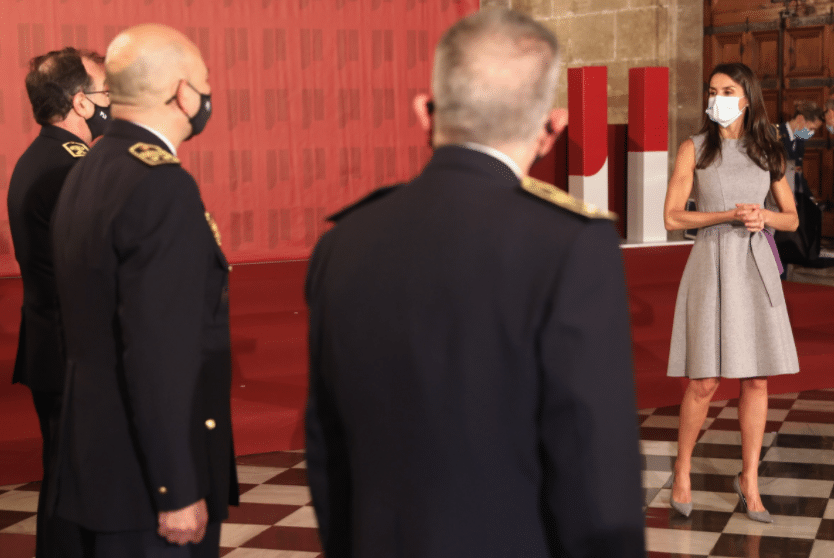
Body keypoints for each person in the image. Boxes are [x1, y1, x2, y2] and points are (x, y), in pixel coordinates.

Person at [305, 8, 645, 558]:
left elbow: (326, 447)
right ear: (551, 129)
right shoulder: (570, 244)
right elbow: (593, 464)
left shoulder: (343, 242)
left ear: (425, 112)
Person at [50, 24, 238, 556]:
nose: (207, 94)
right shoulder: (161, 184)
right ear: (183, 92)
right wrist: (176, 487)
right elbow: (159, 351)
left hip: (99, 463)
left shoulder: (91, 166)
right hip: (145, 483)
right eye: (204, 81)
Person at [664, 62, 799, 523]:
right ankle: (682, 470)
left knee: (756, 379)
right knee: (704, 380)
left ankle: (750, 480)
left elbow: (791, 218)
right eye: (712, 90)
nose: (716, 98)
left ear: (747, 97)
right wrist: (725, 215)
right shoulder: (695, 148)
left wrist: (764, 217)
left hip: (755, 267)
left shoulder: (768, 150)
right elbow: (672, 216)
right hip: (711, 263)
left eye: (726, 91)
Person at [6, 46, 110, 558]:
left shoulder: (43, 157)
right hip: (76, 350)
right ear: (81, 103)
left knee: (68, 478)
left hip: (57, 343)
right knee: (79, 483)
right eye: (107, 91)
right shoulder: (71, 167)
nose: (114, 102)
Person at [774, 100, 823, 195]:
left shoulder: (800, 142)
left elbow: (798, 175)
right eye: (812, 128)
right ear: (800, 119)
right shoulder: (775, 135)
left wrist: (810, 198)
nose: (812, 133)